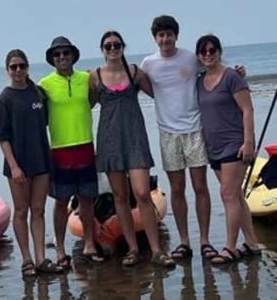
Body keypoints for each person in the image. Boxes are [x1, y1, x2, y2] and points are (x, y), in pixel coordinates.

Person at [90, 29, 174, 269]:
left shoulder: (135, 72)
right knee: (119, 197)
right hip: (109, 142)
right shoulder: (95, 76)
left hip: (135, 139)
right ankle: (133, 249)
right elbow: (82, 105)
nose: (113, 49)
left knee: (142, 194)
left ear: (123, 47)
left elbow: (163, 93)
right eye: (108, 46)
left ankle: (156, 250)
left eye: (117, 45)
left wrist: (195, 78)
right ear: (102, 50)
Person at [137, 14, 213, 261]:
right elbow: (140, 85)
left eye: (169, 34)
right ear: (155, 38)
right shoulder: (148, 64)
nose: (165, 39)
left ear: (176, 36)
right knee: (177, 189)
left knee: (200, 186)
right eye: (161, 35)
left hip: (194, 130)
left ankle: (204, 241)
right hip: (168, 134)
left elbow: (214, 69)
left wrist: (239, 71)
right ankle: (184, 242)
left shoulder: (190, 58)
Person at [193, 34, 261, 264]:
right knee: (237, 196)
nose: (208, 54)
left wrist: (249, 142)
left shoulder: (232, 77)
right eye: (204, 51)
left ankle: (230, 246)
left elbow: (248, 110)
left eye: (213, 50)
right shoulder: (198, 81)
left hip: (235, 144)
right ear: (198, 56)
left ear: (219, 51)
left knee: (228, 195)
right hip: (214, 146)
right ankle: (252, 243)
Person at [37, 35, 104, 269]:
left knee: (86, 200)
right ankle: (61, 249)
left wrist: (96, 76)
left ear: (73, 56)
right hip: (60, 150)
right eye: (57, 54)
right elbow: (33, 111)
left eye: (66, 53)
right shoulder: (44, 84)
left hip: (85, 146)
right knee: (61, 201)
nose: (62, 57)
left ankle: (89, 244)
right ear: (52, 59)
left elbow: (97, 97)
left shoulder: (86, 79)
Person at [0, 49, 54, 276]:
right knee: (21, 210)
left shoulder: (37, 93)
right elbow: (3, 137)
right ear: (8, 70)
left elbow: (46, 121)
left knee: (38, 209)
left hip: (40, 159)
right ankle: (26, 259)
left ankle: (40, 257)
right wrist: (14, 166)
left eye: (21, 66)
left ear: (27, 67)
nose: (18, 70)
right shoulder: (4, 99)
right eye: (13, 67)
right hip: (17, 164)